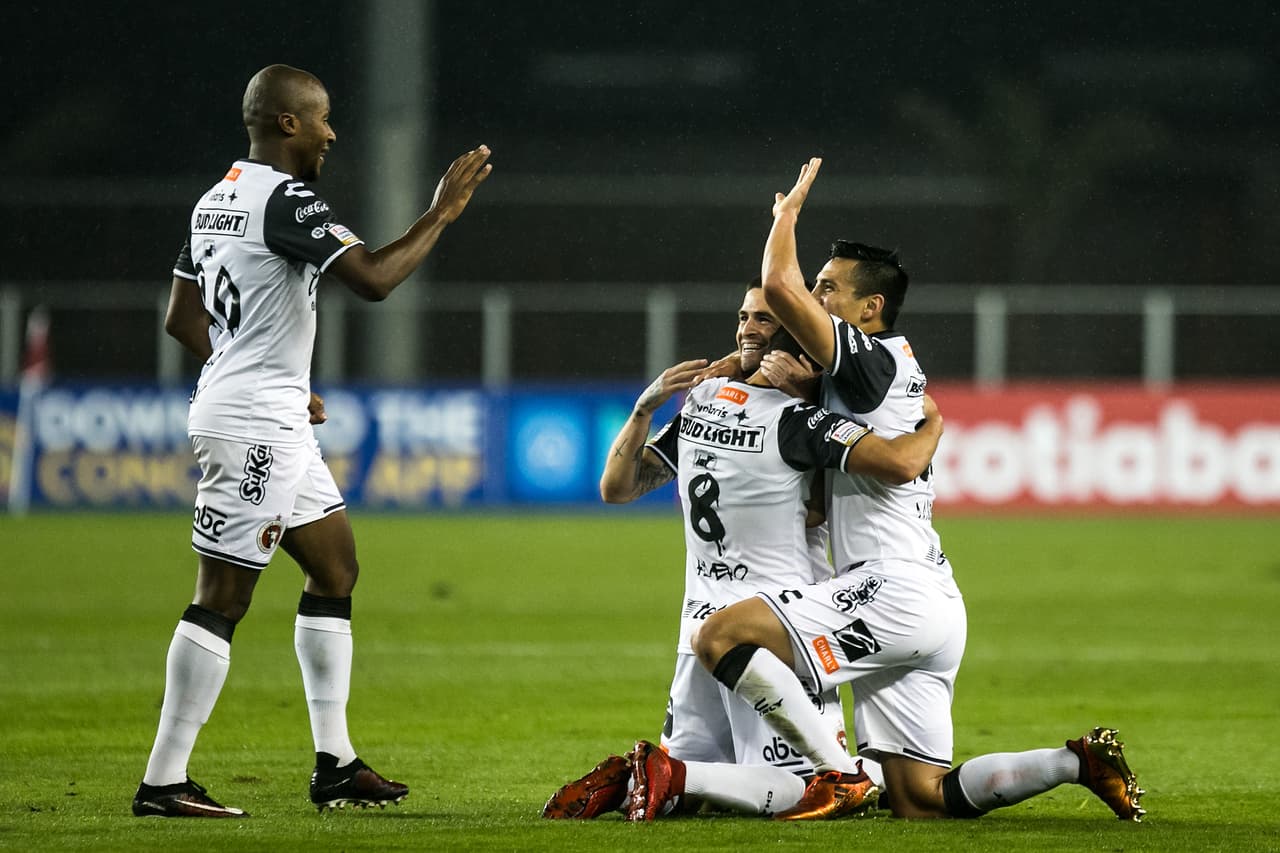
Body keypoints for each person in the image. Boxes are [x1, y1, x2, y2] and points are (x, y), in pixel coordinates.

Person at [620, 157, 1144, 822]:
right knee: (921, 801)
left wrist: (785, 218)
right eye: (817, 285)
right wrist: (796, 387)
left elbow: (780, 290)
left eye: (829, 288)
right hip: (931, 597)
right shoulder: (855, 376)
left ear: (871, 308)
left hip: (892, 589)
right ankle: (1077, 761)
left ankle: (836, 776)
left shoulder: (874, 359)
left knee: (720, 636)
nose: (815, 297)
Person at [133, 64, 492, 818]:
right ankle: (164, 780)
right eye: (322, 118)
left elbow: (180, 319)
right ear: (287, 123)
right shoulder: (285, 198)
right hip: (254, 424)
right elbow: (374, 278)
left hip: (268, 411)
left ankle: (335, 761)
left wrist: (266, 374)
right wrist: (440, 215)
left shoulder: (213, 200)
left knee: (335, 567)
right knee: (222, 594)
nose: (332, 131)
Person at [542, 281, 943, 819]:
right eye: (745, 316)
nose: (746, 327)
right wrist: (933, 423)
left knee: (683, 806)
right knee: (815, 790)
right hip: (769, 633)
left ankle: (642, 775)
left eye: (761, 318)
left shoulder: (705, 400)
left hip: (697, 628)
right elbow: (837, 501)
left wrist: (644, 409)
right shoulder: (800, 422)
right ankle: (675, 770)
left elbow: (617, 488)